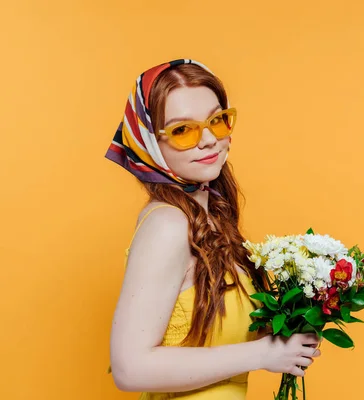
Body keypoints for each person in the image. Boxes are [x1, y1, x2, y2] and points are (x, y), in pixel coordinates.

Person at [105, 59, 321, 399]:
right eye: (182, 130)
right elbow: (130, 368)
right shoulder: (168, 225)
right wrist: (265, 354)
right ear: (149, 145)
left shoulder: (210, 218)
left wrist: (298, 320)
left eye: (216, 121)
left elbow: (215, 335)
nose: (208, 139)